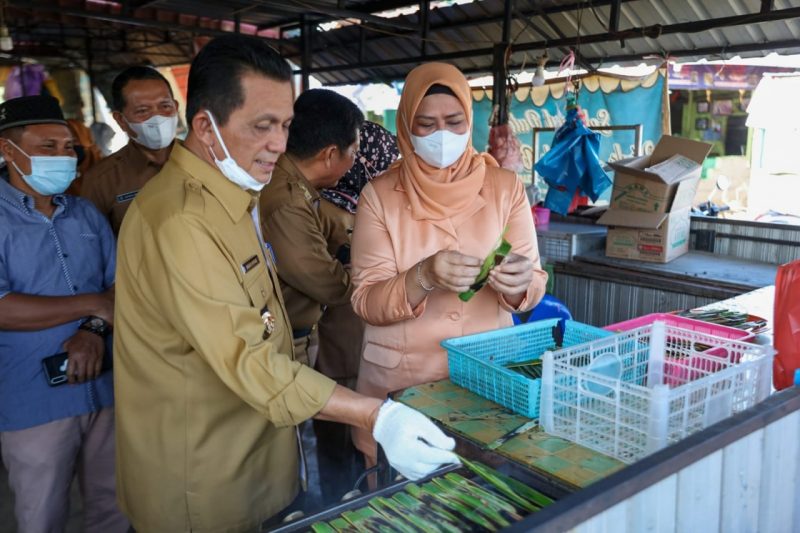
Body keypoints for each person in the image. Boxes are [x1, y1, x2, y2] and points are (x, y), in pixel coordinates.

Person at [113, 34, 460, 533]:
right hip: (203, 479)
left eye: (285, 125)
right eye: (262, 126)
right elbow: (247, 359)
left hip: (250, 458)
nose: (279, 143)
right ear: (206, 127)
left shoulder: (235, 196)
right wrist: (376, 417)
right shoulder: (182, 220)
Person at [350, 62, 549, 467]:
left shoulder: (504, 188)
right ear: (406, 126)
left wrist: (517, 283)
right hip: (403, 386)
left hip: (488, 379)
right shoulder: (380, 195)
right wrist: (422, 276)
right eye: (426, 124)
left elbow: (533, 282)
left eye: (454, 121)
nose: (442, 134)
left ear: (469, 121)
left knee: (483, 495)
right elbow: (365, 300)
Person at [0, 95, 126, 532]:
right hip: (33, 398)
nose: (62, 156)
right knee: (41, 514)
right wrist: (91, 304)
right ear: (7, 150)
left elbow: (118, 288)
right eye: (46, 147)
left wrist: (93, 329)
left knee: (113, 507)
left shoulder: (86, 213)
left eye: (68, 147)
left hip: (106, 386)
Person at [313, 121, 400, 503]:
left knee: (359, 443)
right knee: (342, 438)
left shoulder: (372, 203)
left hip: (363, 342)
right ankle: (340, 506)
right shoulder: (329, 208)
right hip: (340, 340)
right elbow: (324, 276)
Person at [259, 88, 363, 368]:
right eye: (353, 152)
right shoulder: (287, 201)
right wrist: (372, 275)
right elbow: (325, 282)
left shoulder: (293, 185)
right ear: (330, 154)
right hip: (281, 341)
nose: (354, 163)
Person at [81, 65, 178, 236]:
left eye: (165, 106)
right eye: (142, 111)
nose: (157, 117)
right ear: (121, 120)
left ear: (176, 107)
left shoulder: (207, 159)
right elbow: (94, 246)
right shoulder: (101, 181)